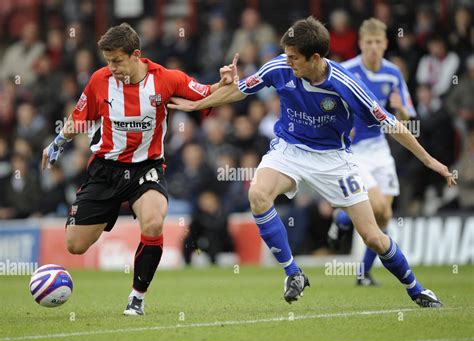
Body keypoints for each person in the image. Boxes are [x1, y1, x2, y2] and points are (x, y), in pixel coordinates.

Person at [168, 16, 456, 307]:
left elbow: (393, 124)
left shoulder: (346, 85)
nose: (287, 61)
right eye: (287, 55)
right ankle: (293, 272)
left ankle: (416, 289)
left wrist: (431, 161)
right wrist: (197, 104)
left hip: (334, 160)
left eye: (294, 58)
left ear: (315, 58)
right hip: (290, 150)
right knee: (258, 194)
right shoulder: (279, 67)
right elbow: (239, 89)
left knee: (373, 237)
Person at [41, 23, 235, 316]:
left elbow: (205, 93)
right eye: (108, 61)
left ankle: (137, 298)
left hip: (147, 167)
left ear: (136, 55)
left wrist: (224, 83)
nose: (112, 67)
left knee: (154, 223)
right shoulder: (99, 81)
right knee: (75, 245)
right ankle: (104, 214)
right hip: (105, 170)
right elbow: (80, 117)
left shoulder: (166, 79)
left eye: (117, 60)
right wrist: (58, 142)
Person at [327, 18, 417, 286]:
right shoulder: (347, 70)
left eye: (378, 42)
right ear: (361, 44)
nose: (374, 48)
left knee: (385, 215)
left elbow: (407, 117)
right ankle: (343, 218)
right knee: (376, 205)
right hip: (354, 152)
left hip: (380, 149)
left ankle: (362, 270)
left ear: (386, 44)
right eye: (369, 43)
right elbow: (328, 105)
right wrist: (341, 125)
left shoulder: (393, 73)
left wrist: (399, 109)